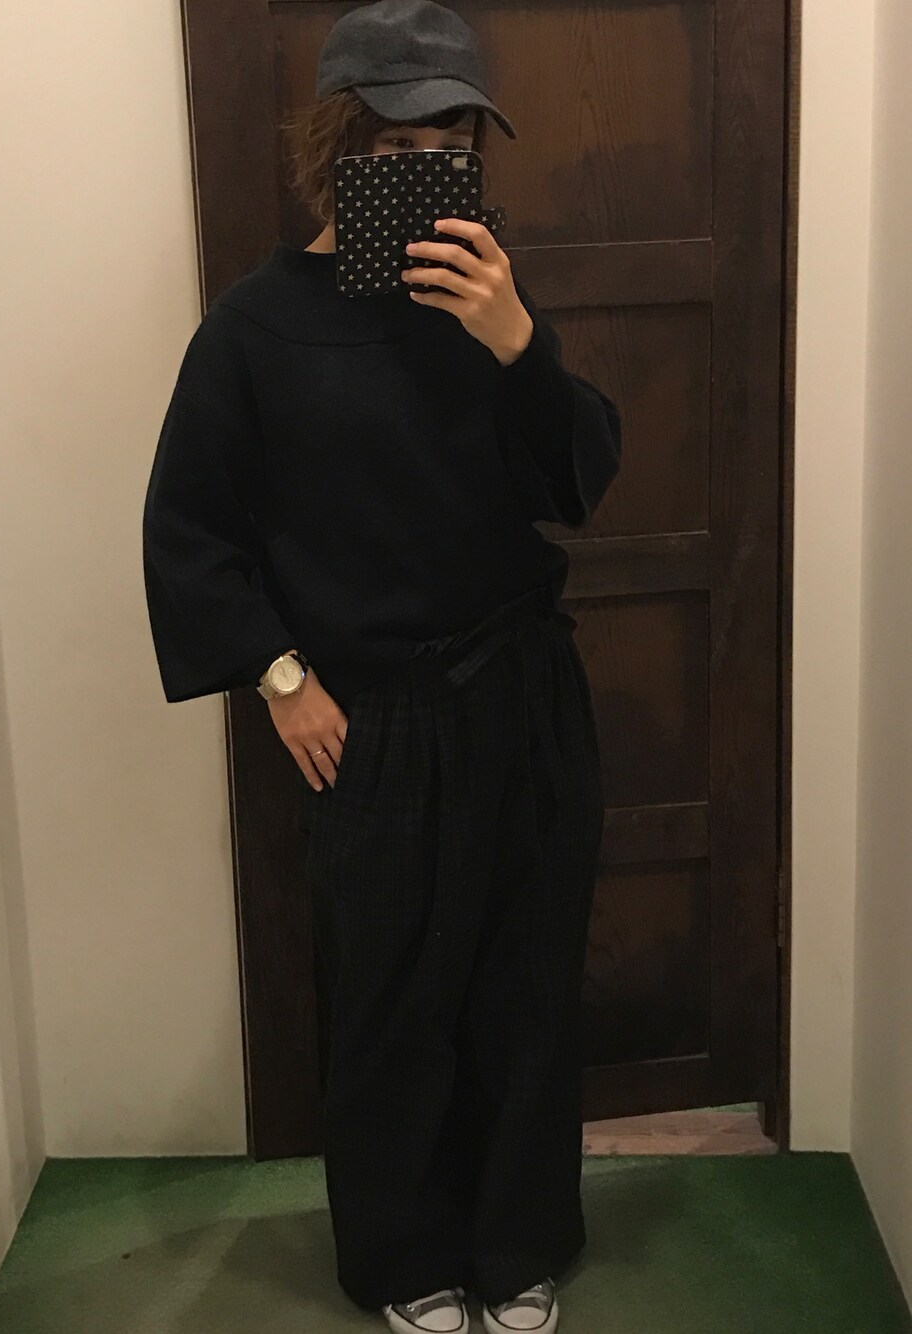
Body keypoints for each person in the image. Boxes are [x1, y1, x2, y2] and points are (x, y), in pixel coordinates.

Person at [142, 0, 622, 1329]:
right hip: (372, 719)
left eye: (454, 141)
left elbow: (578, 477)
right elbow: (190, 528)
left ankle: (518, 1244)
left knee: (527, 986)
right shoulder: (252, 330)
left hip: (522, 694)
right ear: (337, 144)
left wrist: (519, 344)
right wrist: (279, 676)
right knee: (389, 1005)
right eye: (402, 143)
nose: (430, 165)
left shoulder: (488, 297)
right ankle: (407, 1260)